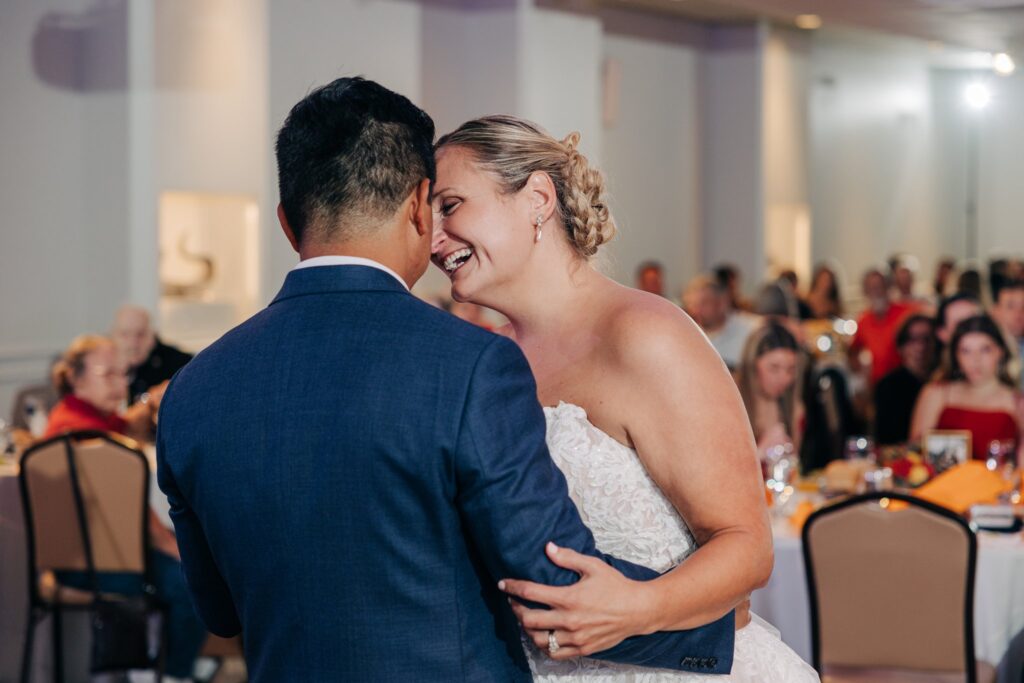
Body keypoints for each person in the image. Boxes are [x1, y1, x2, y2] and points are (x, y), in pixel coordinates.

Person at [157, 78, 739, 683]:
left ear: (285, 222)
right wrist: (715, 622)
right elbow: (549, 584)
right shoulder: (469, 364)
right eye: (438, 207)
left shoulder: (192, 390)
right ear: (416, 203)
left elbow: (219, 610)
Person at [432, 114, 816, 681]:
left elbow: (747, 547)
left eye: (451, 205)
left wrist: (635, 608)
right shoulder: (485, 358)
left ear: (537, 197)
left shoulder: (645, 334)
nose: (434, 238)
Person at [44, 334, 205, 682]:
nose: (120, 385)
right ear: (76, 377)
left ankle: (175, 664)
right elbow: (134, 517)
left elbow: (128, 425)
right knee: (192, 578)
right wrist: (178, 549)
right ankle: (175, 673)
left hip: (97, 553)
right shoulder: (84, 434)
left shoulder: (78, 417)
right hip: (97, 561)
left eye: (123, 374)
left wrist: (149, 402)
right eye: (108, 375)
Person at [910, 315, 1022, 461]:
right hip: (942, 483)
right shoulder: (936, 393)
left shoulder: (1017, 402)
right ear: (955, 355)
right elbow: (915, 454)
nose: (975, 360)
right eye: (966, 351)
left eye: (985, 350)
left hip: (998, 483)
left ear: (1000, 351)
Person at [734, 322, 805, 453]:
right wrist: (762, 450)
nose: (784, 378)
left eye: (791, 369)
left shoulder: (793, 408)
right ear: (752, 365)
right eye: (774, 368)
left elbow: (794, 463)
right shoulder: (732, 405)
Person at [874, 315, 938, 445]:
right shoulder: (888, 386)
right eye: (913, 340)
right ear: (901, 346)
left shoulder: (944, 383)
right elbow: (886, 440)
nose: (921, 347)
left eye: (926, 339)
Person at [111, 305, 193, 405]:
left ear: (152, 337)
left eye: (140, 334)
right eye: (125, 334)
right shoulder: (105, 368)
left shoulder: (181, 366)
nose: (133, 343)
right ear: (113, 337)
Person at [848, 268, 914, 386]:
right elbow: (853, 350)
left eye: (880, 286)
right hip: (878, 384)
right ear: (865, 292)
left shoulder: (906, 313)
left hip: (906, 379)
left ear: (888, 288)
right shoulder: (863, 320)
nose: (877, 292)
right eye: (872, 288)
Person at [683, 274, 758, 371]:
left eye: (704, 303)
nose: (696, 311)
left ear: (721, 303)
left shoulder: (748, 329)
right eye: (692, 305)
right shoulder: (686, 335)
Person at [991, 278, 1024, 388]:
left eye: (1023, 307)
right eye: (1010, 306)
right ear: (995, 311)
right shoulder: (985, 349)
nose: (1018, 314)